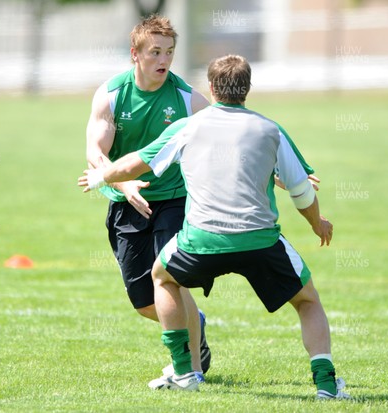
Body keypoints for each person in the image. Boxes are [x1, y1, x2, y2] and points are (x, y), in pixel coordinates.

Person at [79, 54, 351, 400]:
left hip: (201, 241)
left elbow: (138, 163)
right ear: (247, 89)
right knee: (307, 300)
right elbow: (301, 192)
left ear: (211, 87)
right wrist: (318, 223)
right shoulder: (271, 129)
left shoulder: (187, 127)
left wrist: (102, 174)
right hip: (260, 241)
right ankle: (326, 385)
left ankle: (184, 372)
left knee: (161, 276)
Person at [84, 15, 211, 381]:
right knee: (144, 301)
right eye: (155, 52)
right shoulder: (111, 94)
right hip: (126, 203)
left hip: (174, 198)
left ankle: (192, 369)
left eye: (169, 52)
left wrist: (280, 174)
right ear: (134, 55)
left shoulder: (186, 98)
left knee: (168, 277)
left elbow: (230, 131)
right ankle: (194, 324)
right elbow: (95, 151)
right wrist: (125, 185)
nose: (164, 60)